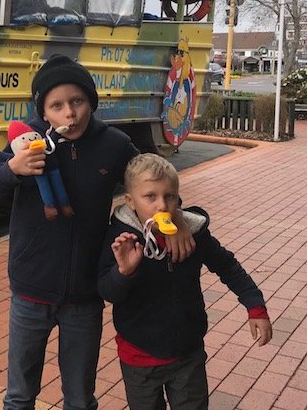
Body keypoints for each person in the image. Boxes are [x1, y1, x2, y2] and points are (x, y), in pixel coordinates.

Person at [0, 54, 195, 410]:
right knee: (19, 396)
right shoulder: (27, 143)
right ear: (43, 112)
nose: (70, 114)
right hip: (30, 290)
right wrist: (13, 169)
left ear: (90, 102)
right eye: (57, 105)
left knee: (79, 398)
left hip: (84, 296)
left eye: (77, 102)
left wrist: (180, 215)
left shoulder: (115, 144)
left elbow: (154, 184)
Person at [98, 153, 273, 410]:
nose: (161, 205)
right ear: (130, 201)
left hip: (187, 353)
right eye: (150, 196)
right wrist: (123, 272)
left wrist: (255, 306)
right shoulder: (121, 239)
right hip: (139, 356)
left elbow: (227, 266)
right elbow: (107, 291)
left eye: (169, 196)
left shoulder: (193, 234)